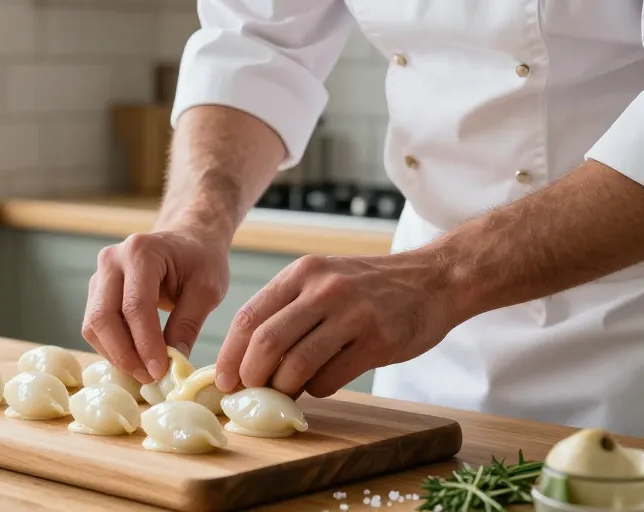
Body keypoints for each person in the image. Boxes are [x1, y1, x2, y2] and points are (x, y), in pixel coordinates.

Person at [81, 1, 644, 437]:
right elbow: (257, 43)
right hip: (426, 349)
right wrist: (194, 220)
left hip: (625, 327)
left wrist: (442, 277)